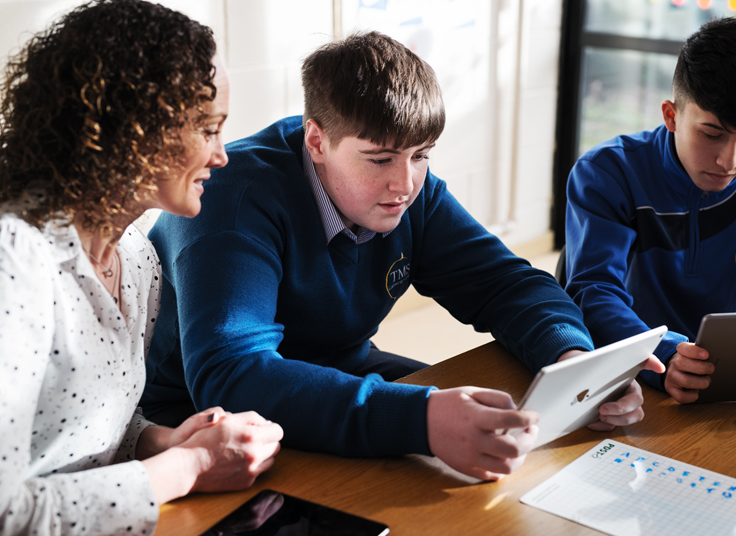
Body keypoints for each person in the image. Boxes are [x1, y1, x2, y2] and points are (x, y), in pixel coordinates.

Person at [141, 30, 663, 482]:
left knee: (498, 441)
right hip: (201, 415)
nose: (405, 183)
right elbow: (236, 374)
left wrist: (573, 361)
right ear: (316, 141)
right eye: (380, 158)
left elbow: (506, 284)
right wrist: (421, 420)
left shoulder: (410, 187)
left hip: (338, 368)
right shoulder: (232, 200)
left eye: (421, 155)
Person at [0, 0, 283, 535]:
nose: (221, 155)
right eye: (207, 128)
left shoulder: (137, 256)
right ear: (130, 128)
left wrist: (164, 440)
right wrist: (189, 466)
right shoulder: (15, 258)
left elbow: (85, 430)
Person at [564, 17, 736, 404]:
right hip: (628, 370)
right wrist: (665, 353)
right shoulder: (606, 173)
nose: (730, 160)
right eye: (712, 134)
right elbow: (594, 292)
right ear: (671, 115)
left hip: (729, 372)